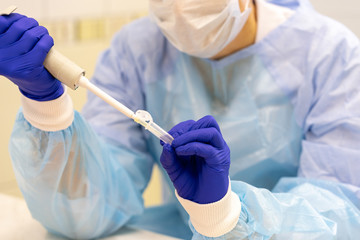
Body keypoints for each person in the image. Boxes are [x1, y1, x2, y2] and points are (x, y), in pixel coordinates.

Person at [1, 0, 360, 239]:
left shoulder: (330, 54)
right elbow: (84, 210)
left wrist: (225, 214)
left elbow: (337, 218)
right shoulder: (136, 50)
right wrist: (45, 104)